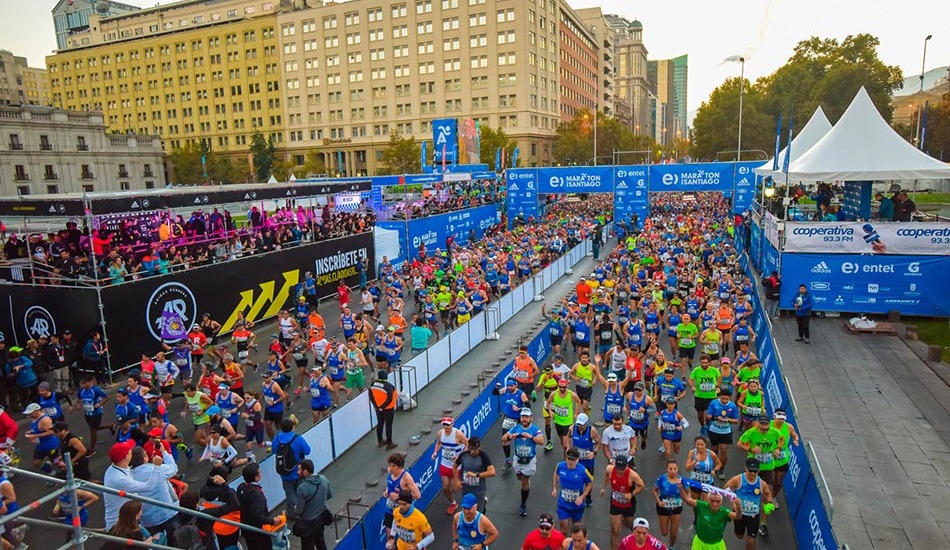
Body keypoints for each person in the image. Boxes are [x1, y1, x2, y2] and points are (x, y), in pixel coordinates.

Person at [103, 440, 165, 530]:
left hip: (122, 521)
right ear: (127, 456)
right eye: (130, 450)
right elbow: (148, 487)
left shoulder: (114, 468)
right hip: (120, 526)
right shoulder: (119, 479)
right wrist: (156, 467)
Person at [129, 445, 180, 542]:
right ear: (144, 457)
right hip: (169, 513)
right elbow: (174, 468)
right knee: (176, 541)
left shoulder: (129, 477)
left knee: (157, 544)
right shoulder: (157, 469)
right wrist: (164, 451)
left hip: (148, 520)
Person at [503, 407, 545, 517]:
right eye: (522, 417)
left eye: (526, 417)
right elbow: (503, 438)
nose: (524, 419)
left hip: (529, 461)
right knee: (519, 477)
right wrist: (510, 437)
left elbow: (541, 441)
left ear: (531, 418)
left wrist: (531, 437)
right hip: (517, 459)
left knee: (524, 482)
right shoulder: (516, 428)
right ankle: (523, 477)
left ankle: (523, 504)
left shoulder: (535, 429)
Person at [724, 459, 773, 549]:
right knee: (739, 535)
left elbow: (767, 493)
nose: (752, 473)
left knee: (750, 539)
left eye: (755, 471)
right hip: (739, 515)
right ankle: (738, 530)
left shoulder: (762, 484)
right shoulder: (738, 479)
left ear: (758, 470)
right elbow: (726, 488)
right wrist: (733, 500)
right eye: (750, 470)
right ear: (745, 468)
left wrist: (769, 503)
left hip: (753, 516)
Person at [601, 455, 645, 550]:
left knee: (629, 524)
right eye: (618, 469)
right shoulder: (610, 469)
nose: (620, 471)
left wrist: (631, 493)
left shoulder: (632, 475)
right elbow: (607, 475)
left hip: (628, 505)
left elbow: (641, 485)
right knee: (615, 530)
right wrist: (604, 488)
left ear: (626, 466)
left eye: (622, 469)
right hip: (615, 504)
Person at [237, 463, 283, 550]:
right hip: (257, 531)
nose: (261, 473)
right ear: (256, 477)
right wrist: (272, 521)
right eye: (260, 472)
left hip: (246, 529)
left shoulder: (241, 487)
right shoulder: (256, 494)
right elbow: (257, 515)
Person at [273, 417, 312, 519]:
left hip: (284, 473)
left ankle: (291, 513)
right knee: (300, 492)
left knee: (290, 493)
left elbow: (273, 450)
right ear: (292, 427)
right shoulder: (297, 438)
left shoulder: (277, 438)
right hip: (298, 471)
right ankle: (300, 511)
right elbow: (307, 451)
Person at [679, 486, 741, 550]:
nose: (715, 504)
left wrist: (738, 507)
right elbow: (687, 499)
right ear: (708, 500)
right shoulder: (701, 505)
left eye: (718, 501)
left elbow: (737, 516)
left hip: (716, 545)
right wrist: (680, 487)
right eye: (712, 501)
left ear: (721, 502)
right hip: (700, 543)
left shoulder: (724, 512)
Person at [432, 416, 469, 515]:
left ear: (452, 424)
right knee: (445, 487)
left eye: (448, 425)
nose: (446, 426)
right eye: (444, 424)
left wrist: (459, 456)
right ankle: (453, 503)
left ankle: (469, 483)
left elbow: (468, 444)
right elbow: (439, 442)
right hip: (444, 463)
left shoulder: (458, 434)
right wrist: (435, 452)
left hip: (456, 465)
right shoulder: (440, 433)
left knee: (454, 488)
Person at [552, 447, 594, 534]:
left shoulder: (583, 471)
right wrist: (555, 488)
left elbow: (590, 484)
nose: (570, 462)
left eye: (573, 460)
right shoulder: (560, 466)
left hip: (577, 506)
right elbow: (556, 474)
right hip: (563, 504)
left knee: (577, 530)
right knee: (563, 528)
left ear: (578, 460)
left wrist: (582, 497)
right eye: (568, 459)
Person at [294, 459, 333, 550]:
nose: (297, 472)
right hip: (321, 518)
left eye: (299, 470)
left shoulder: (302, 488)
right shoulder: (323, 479)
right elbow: (329, 495)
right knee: (320, 542)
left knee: (307, 546)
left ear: (306, 471)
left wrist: (294, 509)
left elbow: (299, 510)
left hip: (308, 523)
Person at [383, 453, 422, 538]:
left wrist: (400, 496)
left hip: (404, 512)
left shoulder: (406, 478)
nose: (391, 468)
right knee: (389, 537)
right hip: (390, 509)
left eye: (394, 466)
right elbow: (390, 485)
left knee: (406, 536)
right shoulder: (390, 471)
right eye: (390, 465)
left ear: (400, 466)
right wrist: (387, 491)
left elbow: (418, 495)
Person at [453, 436, 495, 512]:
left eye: (474, 449)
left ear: (478, 447)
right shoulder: (464, 455)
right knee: (467, 510)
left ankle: (483, 504)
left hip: (479, 490)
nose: (472, 451)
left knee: (478, 513)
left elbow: (492, 472)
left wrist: (476, 475)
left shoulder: (483, 456)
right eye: (471, 449)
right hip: (466, 489)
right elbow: (455, 466)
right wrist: (457, 480)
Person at [705, 388, 740, 480]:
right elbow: (708, 416)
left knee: (724, 450)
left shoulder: (732, 406)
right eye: (722, 398)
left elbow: (736, 421)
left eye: (726, 399)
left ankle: (721, 469)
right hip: (714, 430)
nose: (724, 401)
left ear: (730, 398)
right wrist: (716, 418)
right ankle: (714, 466)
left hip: (726, 431)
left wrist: (728, 420)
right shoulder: (714, 403)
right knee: (714, 450)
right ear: (719, 397)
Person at [653, 460, 684, 550]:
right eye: (670, 469)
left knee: (674, 533)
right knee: (664, 532)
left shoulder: (681, 481)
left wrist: (684, 498)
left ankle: (671, 546)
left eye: (675, 469)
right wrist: (659, 501)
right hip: (663, 507)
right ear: (667, 469)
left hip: (677, 508)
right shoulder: (661, 479)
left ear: (677, 469)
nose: (673, 471)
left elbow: (688, 492)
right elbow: (654, 490)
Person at [545, 378, 581, 454]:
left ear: (567, 386)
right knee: (562, 442)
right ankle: (567, 453)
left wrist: (576, 412)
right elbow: (548, 402)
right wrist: (550, 411)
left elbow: (578, 401)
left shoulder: (571, 394)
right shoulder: (554, 394)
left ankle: (568, 457)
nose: (562, 388)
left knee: (565, 444)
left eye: (564, 387)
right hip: (557, 421)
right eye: (560, 387)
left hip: (567, 422)